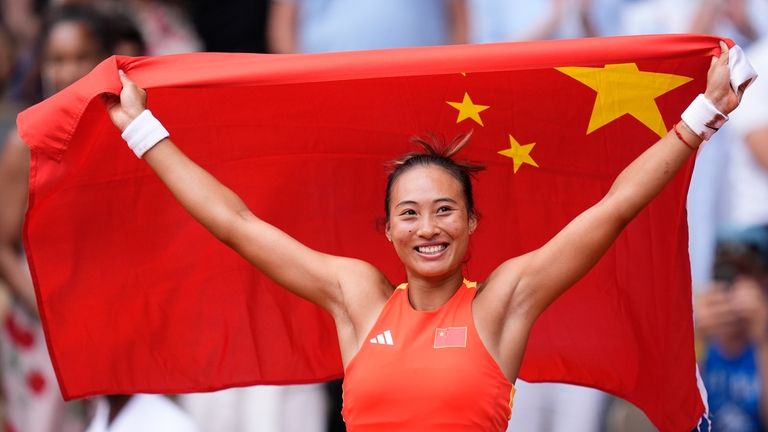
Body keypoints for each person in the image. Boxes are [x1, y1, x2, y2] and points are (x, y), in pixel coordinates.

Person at [102, 41, 742, 430]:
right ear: (386, 230)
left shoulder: (502, 302)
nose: (428, 228)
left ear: (470, 224)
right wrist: (140, 130)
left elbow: (614, 208)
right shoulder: (357, 298)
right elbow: (237, 225)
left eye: (444, 211)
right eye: (409, 214)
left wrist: (704, 113)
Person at [695, 225, 768, 432]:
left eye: (746, 271)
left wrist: (762, 339)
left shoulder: (763, 340)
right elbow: (679, 418)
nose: (734, 284)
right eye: (725, 271)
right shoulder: (701, 336)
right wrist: (696, 337)